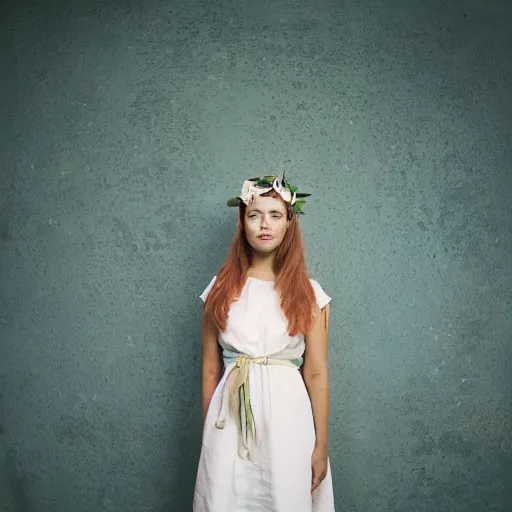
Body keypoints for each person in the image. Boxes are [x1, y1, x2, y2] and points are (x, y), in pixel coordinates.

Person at [193, 174, 335, 511]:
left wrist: (321, 446)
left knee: (284, 496)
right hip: (228, 419)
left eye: (275, 215)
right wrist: (208, 435)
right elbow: (210, 368)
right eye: (255, 215)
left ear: (289, 222)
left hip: (289, 419)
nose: (264, 224)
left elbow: (315, 373)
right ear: (242, 222)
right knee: (228, 497)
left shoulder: (309, 293)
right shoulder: (221, 288)